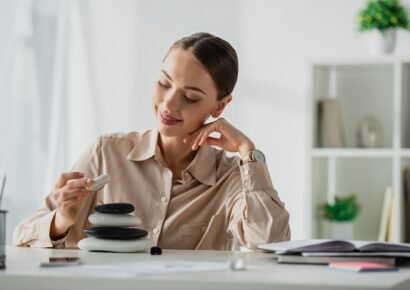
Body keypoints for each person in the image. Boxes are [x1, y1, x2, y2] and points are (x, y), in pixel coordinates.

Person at [13, 32, 290, 250]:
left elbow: (270, 242)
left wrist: (248, 152)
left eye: (190, 96)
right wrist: (61, 220)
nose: (168, 104)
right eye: (164, 84)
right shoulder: (106, 152)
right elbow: (23, 235)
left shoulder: (230, 178)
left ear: (219, 107)